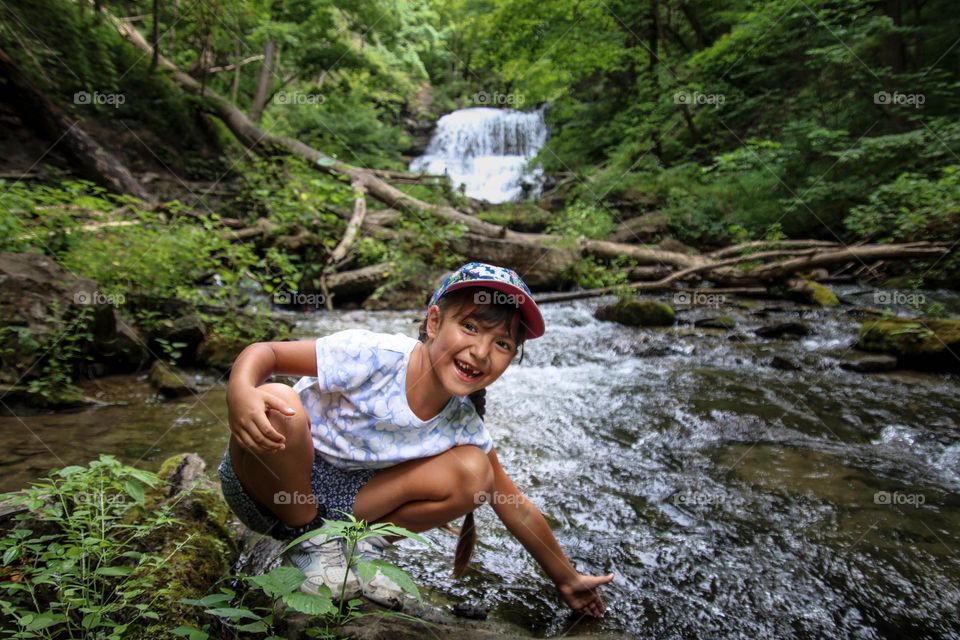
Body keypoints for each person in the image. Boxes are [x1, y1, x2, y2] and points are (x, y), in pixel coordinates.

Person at [218, 262, 614, 617]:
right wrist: (241, 392)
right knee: (277, 401)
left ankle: (359, 548)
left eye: (502, 344)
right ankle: (309, 542)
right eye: (470, 327)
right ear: (434, 322)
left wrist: (566, 578)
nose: (479, 352)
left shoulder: (463, 424)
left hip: (346, 508)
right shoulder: (374, 355)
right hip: (269, 484)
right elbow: (266, 353)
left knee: (475, 473)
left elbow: (515, 507)